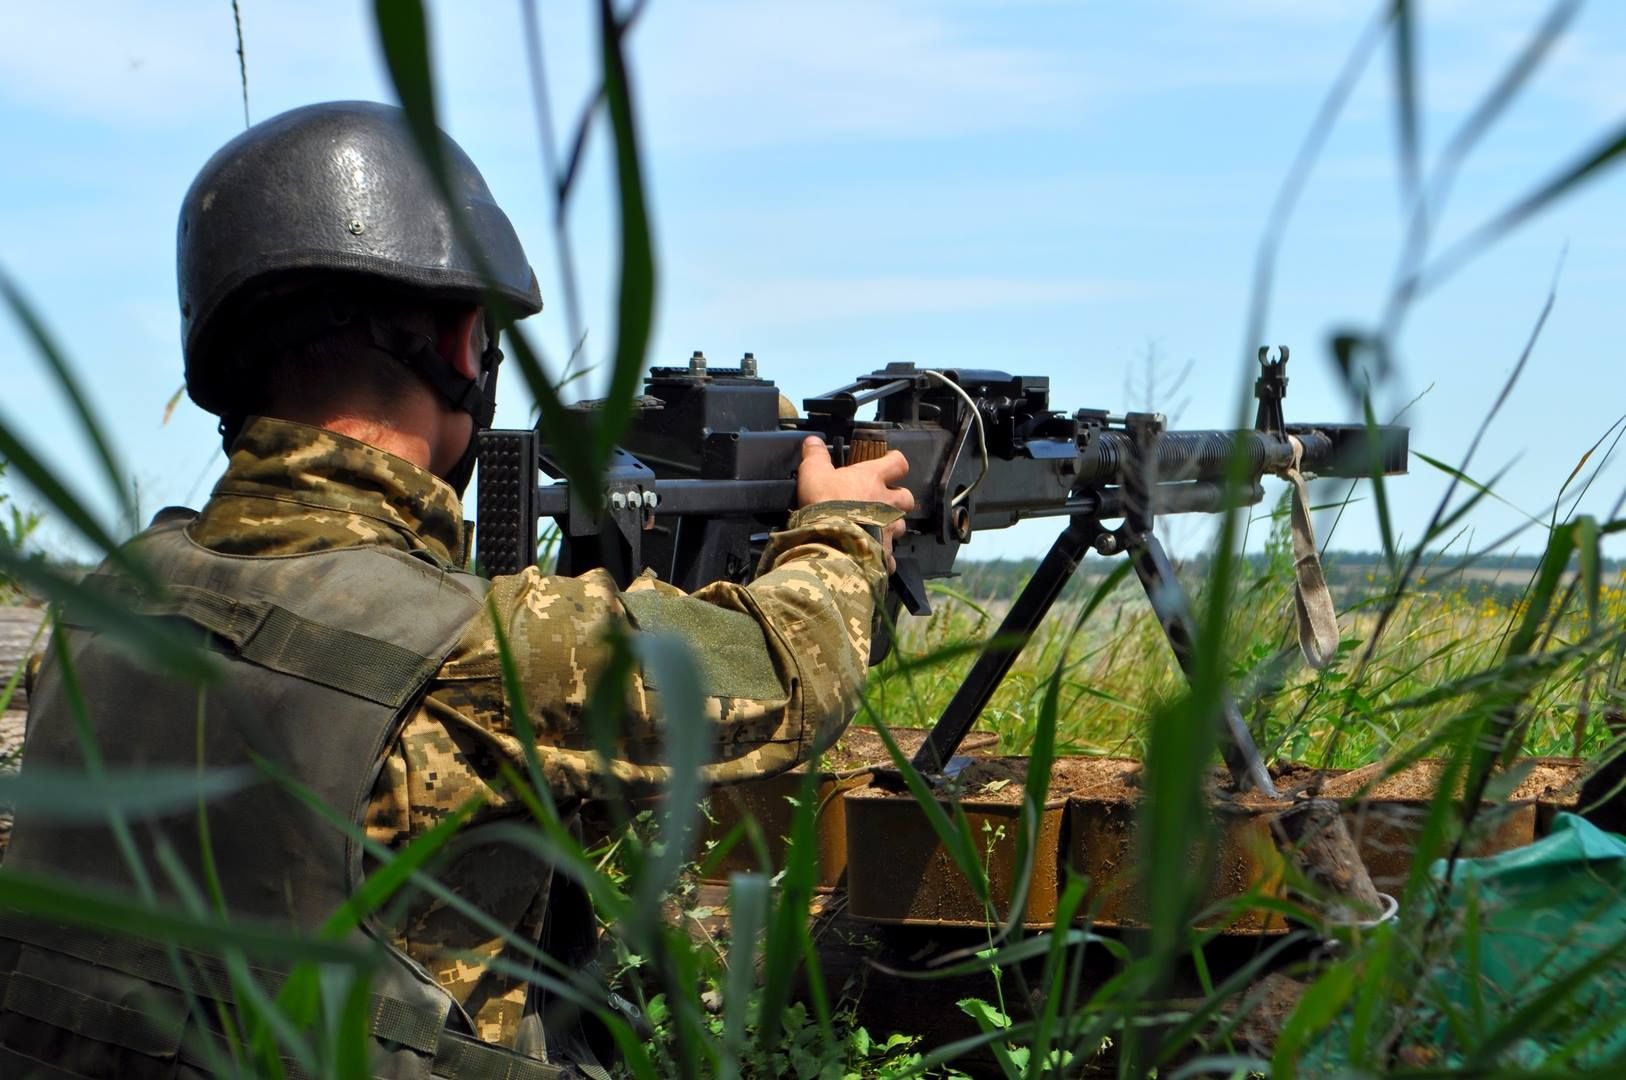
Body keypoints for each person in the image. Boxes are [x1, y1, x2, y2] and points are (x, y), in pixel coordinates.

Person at [0, 101, 912, 1079]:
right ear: (467, 345)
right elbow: (790, 666)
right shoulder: (483, 650)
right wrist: (842, 526)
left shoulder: (107, 604)